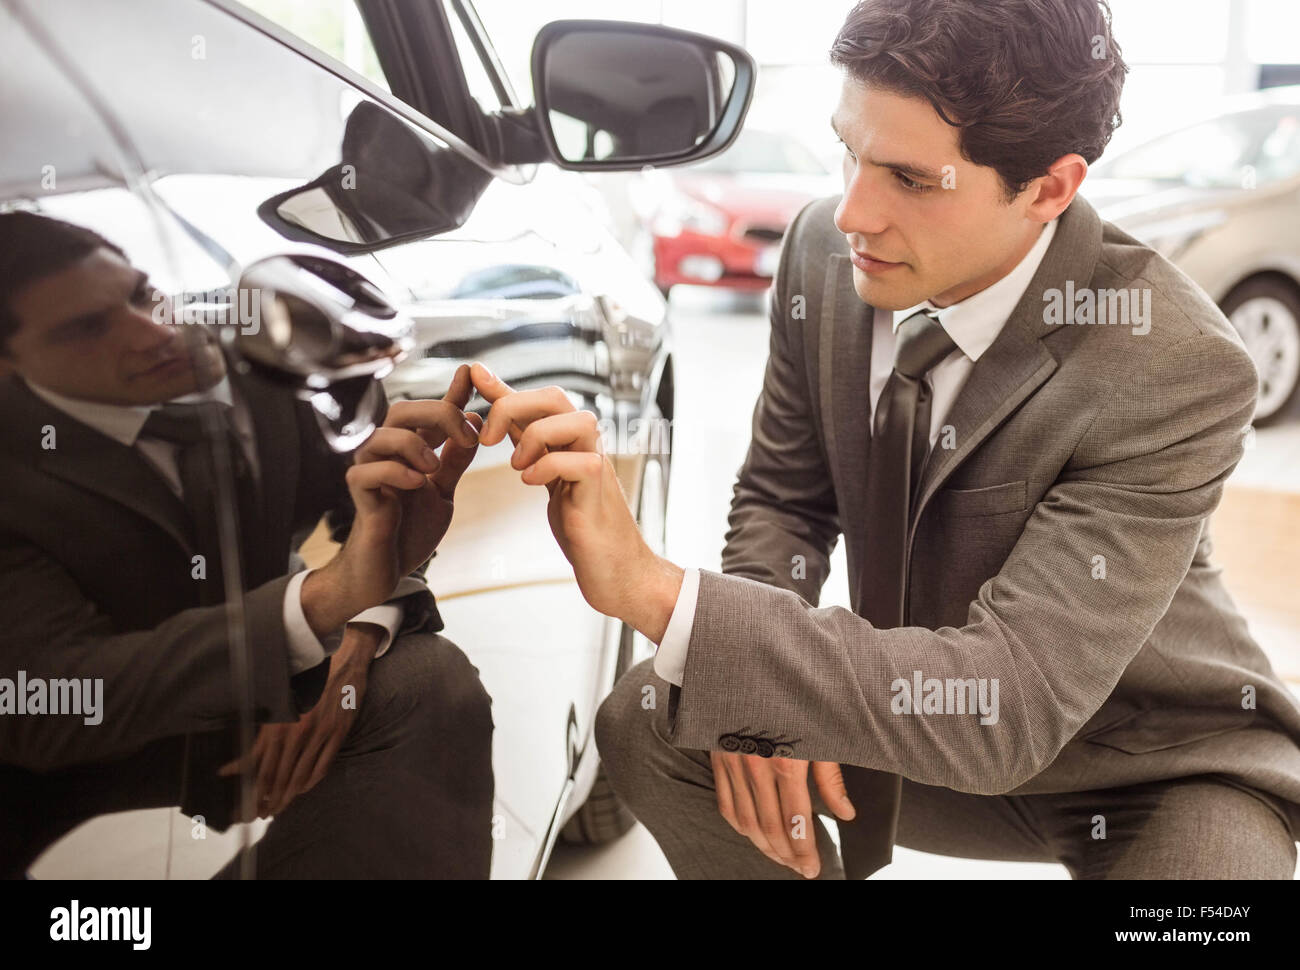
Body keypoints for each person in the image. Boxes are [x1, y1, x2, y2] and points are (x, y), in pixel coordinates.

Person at [469, 0, 1300, 880]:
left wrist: (652, 589)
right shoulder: (824, 256)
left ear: (1050, 189)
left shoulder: (1173, 365)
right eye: (848, 152)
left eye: (909, 179)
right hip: (912, 717)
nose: (855, 212)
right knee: (655, 716)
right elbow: (785, 501)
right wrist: (758, 701)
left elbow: (1006, 704)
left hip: (1152, 761)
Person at [0, 211, 493, 878]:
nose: (155, 332)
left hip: (254, 720)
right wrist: (314, 606)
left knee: (424, 680)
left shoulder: (268, 363)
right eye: (88, 327)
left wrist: (352, 640)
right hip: (89, 773)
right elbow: (43, 699)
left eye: (141, 294)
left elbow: (379, 518)